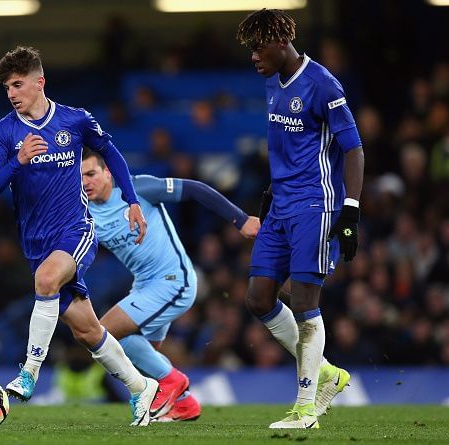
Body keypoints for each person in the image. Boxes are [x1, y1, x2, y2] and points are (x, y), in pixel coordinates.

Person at [0, 46, 158, 426]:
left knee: (45, 279)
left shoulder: (75, 120)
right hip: (35, 241)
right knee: (86, 330)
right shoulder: (3, 132)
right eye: (6, 87)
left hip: (75, 229)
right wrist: (18, 160)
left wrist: (131, 201)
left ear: (39, 81)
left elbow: (112, 153)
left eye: (17, 84)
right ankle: (142, 388)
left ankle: (29, 372)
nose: (11, 93)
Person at [236, 9, 365, 429]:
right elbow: (285, 149)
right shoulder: (272, 82)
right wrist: (268, 197)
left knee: (306, 301)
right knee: (258, 298)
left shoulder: (323, 84)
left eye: (258, 48)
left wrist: (350, 210)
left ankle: (306, 407)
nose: (254, 57)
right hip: (281, 204)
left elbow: (354, 150)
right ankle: (328, 372)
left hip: (316, 204)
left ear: (279, 42)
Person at [81, 148, 260, 421]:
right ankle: (185, 404)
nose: (86, 182)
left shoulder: (137, 188)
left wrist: (241, 219)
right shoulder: (85, 212)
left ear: (107, 172)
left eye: (91, 173)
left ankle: (173, 381)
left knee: (101, 333)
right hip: (144, 286)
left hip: (175, 280)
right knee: (137, 355)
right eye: (80, 177)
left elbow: (195, 189)